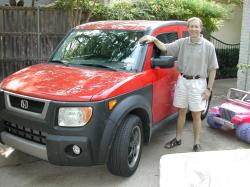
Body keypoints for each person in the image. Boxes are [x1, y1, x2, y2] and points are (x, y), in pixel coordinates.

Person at [139, 17, 219, 152]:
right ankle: (177, 139)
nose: (193, 29)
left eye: (196, 26)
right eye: (191, 26)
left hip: (198, 83)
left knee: (196, 114)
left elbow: (212, 69)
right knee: (181, 111)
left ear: (200, 28)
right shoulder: (182, 43)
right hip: (182, 80)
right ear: (188, 28)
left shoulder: (208, 46)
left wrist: (209, 89)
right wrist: (153, 39)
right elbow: (165, 48)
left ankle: (196, 143)